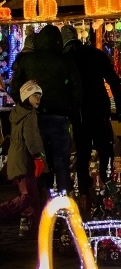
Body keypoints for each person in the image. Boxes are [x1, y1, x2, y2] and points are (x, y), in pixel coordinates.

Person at [61, 25, 121, 212]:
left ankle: (84, 193)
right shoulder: (94, 54)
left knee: (82, 153)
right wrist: (120, 107)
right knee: (105, 149)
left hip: (79, 114)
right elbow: (112, 79)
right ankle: (108, 186)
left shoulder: (65, 59)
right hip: (99, 110)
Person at [11, 24, 81, 195]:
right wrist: (71, 109)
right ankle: (64, 203)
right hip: (59, 117)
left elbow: (15, 89)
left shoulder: (27, 60)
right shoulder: (65, 60)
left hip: (35, 118)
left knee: (38, 161)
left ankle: (42, 200)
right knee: (61, 161)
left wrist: (27, 106)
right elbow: (77, 89)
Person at [2, 80, 48, 236]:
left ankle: (30, 227)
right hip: (24, 159)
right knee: (29, 195)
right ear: (26, 97)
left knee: (32, 195)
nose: (38, 99)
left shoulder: (18, 114)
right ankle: (3, 211)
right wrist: (38, 158)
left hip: (18, 158)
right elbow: (32, 138)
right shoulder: (29, 115)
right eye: (35, 95)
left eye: (39, 96)